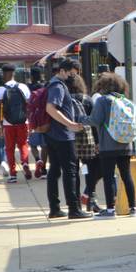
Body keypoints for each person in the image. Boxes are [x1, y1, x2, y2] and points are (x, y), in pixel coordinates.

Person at [85, 72, 136, 218]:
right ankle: (133, 209)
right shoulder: (126, 101)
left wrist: (81, 119)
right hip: (126, 145)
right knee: (126, 175)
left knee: (108, 176)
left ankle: (110, 210)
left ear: (102, 86)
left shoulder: (103, 101)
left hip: (108, 145)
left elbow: (95, 120)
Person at [44, 59, 90, 219]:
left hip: (52, 135)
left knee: (55, 170)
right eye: (71, 74)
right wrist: (70, 123)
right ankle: (74, 209)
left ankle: (55, 208)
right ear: (62, 71)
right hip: (63, 136)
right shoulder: (58, 86)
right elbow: (50, 108)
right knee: (70, 171)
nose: (73, 78)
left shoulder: (52, 83)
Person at [66, 73, 101, 213]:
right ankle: (90, 199)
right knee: (90, 171)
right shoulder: (87, 99)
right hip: (86, 141)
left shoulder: (64, 99)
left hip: (69, 140)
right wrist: (97, 142)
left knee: (72, 172)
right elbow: (94, 123)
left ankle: (74, 204)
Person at [0, 64, 31, 183]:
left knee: (9, 149)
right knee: (23, 145)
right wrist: (29, 121)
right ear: (14, 73)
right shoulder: (23, 87)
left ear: (4, 74)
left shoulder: (1, 89)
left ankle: (13, 174)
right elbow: (29, 105)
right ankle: (25, 162)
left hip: (8, 123)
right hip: (23, 122)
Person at [27, 66, 49, 178]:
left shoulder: (28, 87)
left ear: (31, 76)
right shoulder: (45, 87)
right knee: (45, 145)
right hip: (44, 120)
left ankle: (37, 159)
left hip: (33, 120)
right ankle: (44, 169)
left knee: (33, 144)